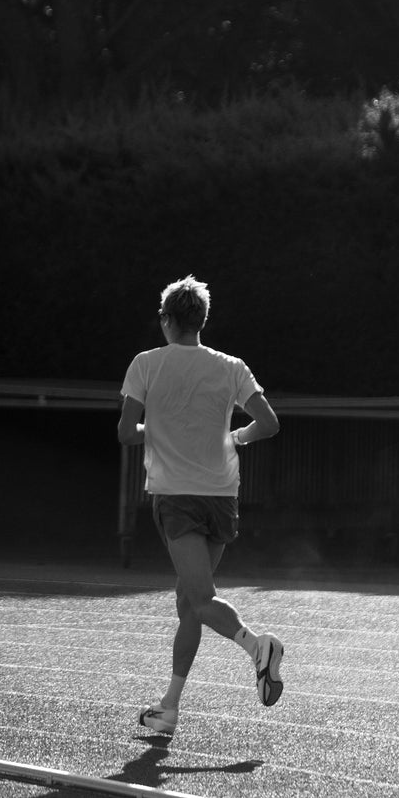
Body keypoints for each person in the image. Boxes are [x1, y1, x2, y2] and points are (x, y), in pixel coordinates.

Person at [118, 275, 283, 738]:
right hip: (222, 494)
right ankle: (169, 708)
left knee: (200, 599)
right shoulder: (231, 365)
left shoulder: (145, 364)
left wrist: (162, 430)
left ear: (168, 320)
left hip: (178, 496)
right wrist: (236, 436)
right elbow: (268, 424)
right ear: (201, 320)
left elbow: (126, 432)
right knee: (189, 603)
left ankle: (259, 647)